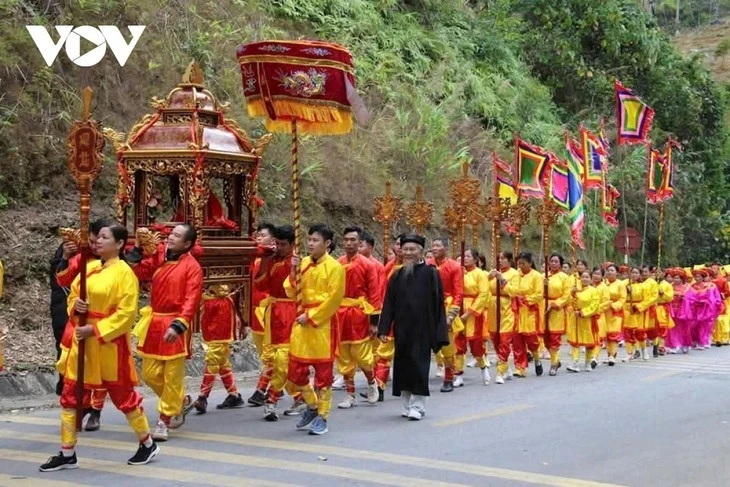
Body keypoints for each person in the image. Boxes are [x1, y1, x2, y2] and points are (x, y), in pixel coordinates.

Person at [39, 225, 158, 472]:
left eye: (104, 238)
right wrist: (77, 307)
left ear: (119, 244)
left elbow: (127, 314)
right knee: (70, 396)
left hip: (108, 344)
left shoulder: (124, 273)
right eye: (97, 237)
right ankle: (67, 451)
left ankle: (147, 443)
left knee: (123, 396)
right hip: (81, 342)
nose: (98, 242)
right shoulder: (90, 267)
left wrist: (94, 329)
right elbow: (72, 294)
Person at [129, 224, 203, 442]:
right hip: (155, 321)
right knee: (150, 373)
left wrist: (179, 325)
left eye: (177, 236)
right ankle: (180, 401)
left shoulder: (192, 267)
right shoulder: (159, 254)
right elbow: (142, 273)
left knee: (172, 377)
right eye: (171, 234)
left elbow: (191, 300)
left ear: (187, 244)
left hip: (174, 323)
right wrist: (137, 255)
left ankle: (164, 420)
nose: (171, 238)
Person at [378, 234, 449, 421]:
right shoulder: (397, 275)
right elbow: (389, 304)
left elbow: (437, 303)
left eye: (412, 249)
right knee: (403, 366)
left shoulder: (431, 273)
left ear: (421, 252)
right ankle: (407, 403)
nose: (408, 253)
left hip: (422, 329)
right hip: (402, 329)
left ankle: (418, 406)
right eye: (405, 249)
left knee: (419, 366)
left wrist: (439, 330)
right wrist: (384, 329)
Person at [285, 224, 345, 436]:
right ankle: (311, 405)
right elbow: (291, 291)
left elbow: (334, 299)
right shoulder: (302, 263)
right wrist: (293, 272)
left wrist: (311, 316)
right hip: (301, 324)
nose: (310, 244)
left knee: (323, 375)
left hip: (323, 325)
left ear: (327, 244)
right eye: (309, 240)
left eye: (315, 240)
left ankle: (323, 416)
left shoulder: (335, 267)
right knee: (294, 372)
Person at [51, 218, 109, 430]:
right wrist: (66, 257)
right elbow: (61, 279)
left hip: (104, 323)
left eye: (102, 240)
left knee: (102, 369)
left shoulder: (118, 264)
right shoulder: (79, 254)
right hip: (75, 318)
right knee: (73, 364)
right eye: (93, 241)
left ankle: (96, 410)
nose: (96, 245)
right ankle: (77, 408)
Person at [336, 226, 381, 408]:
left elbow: (375, 294)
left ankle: (372, 382)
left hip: (359, 314)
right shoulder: (338, 263)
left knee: (361, 355)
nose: (349, 243)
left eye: (353, 240)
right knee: (344, 356)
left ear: (360, 242)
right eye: (346, 239)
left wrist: (374, 322)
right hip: (341, 314)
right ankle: (350, 394)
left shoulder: (368, 265)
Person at [256, 225, 298, 421]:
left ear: (292, 245)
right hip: (272, 313)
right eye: (277, 243)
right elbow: (260, 284)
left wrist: (296, 270)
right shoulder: (271, 260)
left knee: (283, 360)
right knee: (272, 359)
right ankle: (301, 396)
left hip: (290, 312)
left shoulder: (299, 263)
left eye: (283, 244)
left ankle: (271, 400)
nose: (279, 247)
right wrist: (264, 262)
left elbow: (299, 289)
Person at [192, 284, 244, 414]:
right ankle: (233, 395)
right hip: (214, 305)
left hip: (220, 312)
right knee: (222, 362)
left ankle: (203, 396)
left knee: (213, 360)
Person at [426, 237, 463, 392]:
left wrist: (451, 315)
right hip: (428, 308)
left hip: (446, 308)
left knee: (447, 345)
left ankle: (448, 377)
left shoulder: (454, 266)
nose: (434, 248)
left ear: (445, 248)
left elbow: (458, 292)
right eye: (433, 245)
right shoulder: (427, 265)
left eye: (438, 246)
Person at [371, 235, 404, 397]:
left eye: (402, 244)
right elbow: (382, 290)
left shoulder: (419, 268)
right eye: (397, 244)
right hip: (390, 315)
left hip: (408, 318)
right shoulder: (389, 266)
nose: (398, 247)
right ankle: (380, 387)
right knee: (383, 351)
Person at [248, 222, 277, 406]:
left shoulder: (274, 259)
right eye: (257, 234)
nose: (259, 237)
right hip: (254, 310)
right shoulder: (256, 258)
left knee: (270, 353)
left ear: (273, 239)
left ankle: (261, 389)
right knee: (263, 353)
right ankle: (276, 385)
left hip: (269, 310)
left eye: (263, 235)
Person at [455, 249, 490, 385]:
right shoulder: (458, 272)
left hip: (473, 312)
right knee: (458, 343)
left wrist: (469, 312)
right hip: (458, 308)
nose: (466, 258)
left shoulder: (480, 274)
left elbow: (483, 295)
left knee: (475, 344)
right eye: (464, 256)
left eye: (469, 256)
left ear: (475, 259)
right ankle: (458, 375)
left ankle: (483, 367)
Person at [511, 252, 543, 378]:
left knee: (532, 340)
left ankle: (536, 358)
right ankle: (520, 367)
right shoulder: (515, 274)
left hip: (529, 311)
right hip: (516, 311)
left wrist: (524, 299)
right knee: (517, 340)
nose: (521, 266)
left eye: (523, 263)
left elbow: (539, 294)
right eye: (519, 263)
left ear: (530, 263)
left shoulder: (536, 276)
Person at [488, 251, 518, 384]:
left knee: (505, 340)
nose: (500, 260)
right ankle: (506, 366)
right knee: (495, 339)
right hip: (493, 308)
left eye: (503, 258)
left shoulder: (514, 273)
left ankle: (500, 372)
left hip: (506, 309)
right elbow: (485, 288)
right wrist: (489, 278)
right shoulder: (493, 272)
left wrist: (501, 279)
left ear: (510, 260)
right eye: (499, 258)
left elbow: (513, 292)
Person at [566, 270, 600, 372]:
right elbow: (569, 303)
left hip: (587, 319)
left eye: (587, 277)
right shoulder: (576, 290)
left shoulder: (594, 291)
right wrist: (572, 294)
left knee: (589, 342)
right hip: (575, 319)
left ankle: (588, 362)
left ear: (590, 279)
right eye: (583, 277)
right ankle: (575, 362)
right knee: (575, 341)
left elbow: (595, 306)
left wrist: (582, 312)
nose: (584, 279)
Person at [544, 253, 570, 376]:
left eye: (556, 261)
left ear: (560, 263)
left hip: (556, 310)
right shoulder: (543, 276)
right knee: (545, 339)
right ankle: (556, 359)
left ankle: (553, 364)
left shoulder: (564, 277)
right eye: (551, 261)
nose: (553, 263)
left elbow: (566, 295)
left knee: (554, 338)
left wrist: (555, 304)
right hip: (543, 308)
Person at [623, 267, 650, 362]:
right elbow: (620, 296)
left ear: (639, 274)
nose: (634, 274)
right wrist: (626, 291)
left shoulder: (643, 286)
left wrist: (639, 307)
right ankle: (629, 353)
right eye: (632, 272)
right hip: (627, 310)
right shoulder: (624, 284)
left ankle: (644, 349)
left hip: (638, 310)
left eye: (636, 272)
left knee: (640, 332)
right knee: (628, 332)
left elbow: (647, 300)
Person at [604, 264, 626, 365]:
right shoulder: (603, 283)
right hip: (604, 311)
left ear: (616, 272)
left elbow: (622, 299)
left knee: (613, 333)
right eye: (608, 270)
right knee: (606, 334)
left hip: (615, 311)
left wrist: (614, 305)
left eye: (612, 270)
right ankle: (609, 355)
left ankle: (613, 355)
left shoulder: (620, 284)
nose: (610, 272)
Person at [589, 266, 611, 367]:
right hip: (587, 315)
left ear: (602, 276)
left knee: (598, 338)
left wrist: (596, 309)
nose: (596, 276)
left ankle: (594, 357)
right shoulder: (587, 285)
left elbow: (606, 302)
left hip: (598, 316)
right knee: (589, 338)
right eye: (594, 273)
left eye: (598, 274)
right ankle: (589, 357)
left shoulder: (604, 287)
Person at [651, 269, 674, 357]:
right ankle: (655, 344)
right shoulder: (652, 284)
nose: (658, 274)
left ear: (664, 274)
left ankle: (661, 346)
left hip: (662, 307)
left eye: (660, 272)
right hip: (653, 307)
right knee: (654, 327)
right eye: (656, 272)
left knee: (662, 327)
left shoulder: (667, 285)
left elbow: (670, 298)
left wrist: (663, 294)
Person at [667, 268, 691, 354]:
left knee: (683, 328)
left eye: (678, 278)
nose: (676, 280)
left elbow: (691, 298)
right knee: (672, 328)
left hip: (683, 311)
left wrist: (684, 299)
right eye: (674, 278)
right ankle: (674, 345)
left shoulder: (687, 287)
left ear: (682, 279)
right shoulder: (669, 286)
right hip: (672, 310)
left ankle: (685, 344)